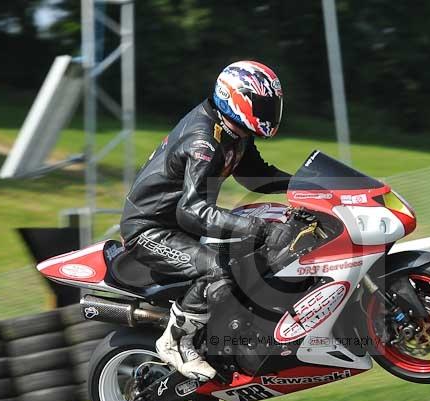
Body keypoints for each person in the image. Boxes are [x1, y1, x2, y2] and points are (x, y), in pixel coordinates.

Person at [119, 60, 297, 381]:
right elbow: (193, 209)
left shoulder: (234, 131)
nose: (270, 112)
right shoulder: (203, 140)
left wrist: (308, 187)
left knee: (255, 252)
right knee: (218, 267)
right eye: (263, 105)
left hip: (179, 223)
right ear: (237, 99)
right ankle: (175, 341)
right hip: (150, 229)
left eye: (273, 106)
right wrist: (262, 230)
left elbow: (256, 177)